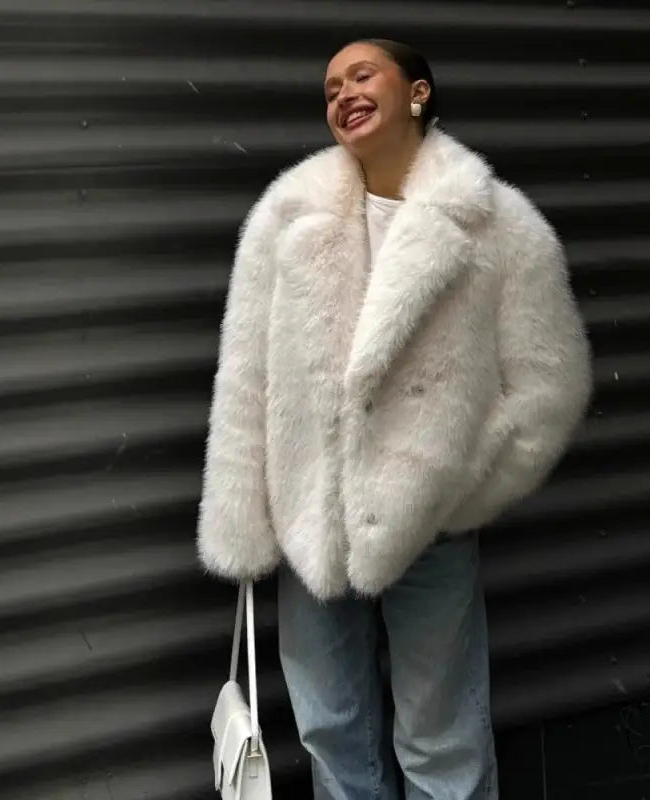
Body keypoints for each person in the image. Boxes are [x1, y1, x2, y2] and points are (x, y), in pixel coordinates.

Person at [197, 38, 592, 800]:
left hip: (431, 530)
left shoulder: (496, 224)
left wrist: (457, 490)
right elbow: (245, 378)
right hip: (311, 519)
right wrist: (243, 519)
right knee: (329, 729)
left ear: (417, 92)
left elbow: (552, 383)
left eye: (362, 75)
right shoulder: (286, 216)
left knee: (443, 737)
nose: (343, 93)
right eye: (330, 87)